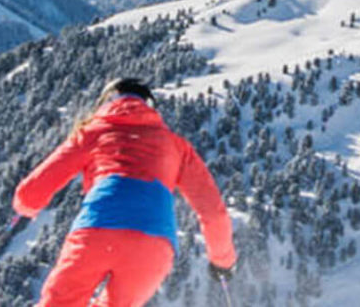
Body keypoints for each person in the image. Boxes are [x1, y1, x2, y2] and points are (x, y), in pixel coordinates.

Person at [13, 77, 236, 307]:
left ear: (106, 102)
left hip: (97, 230)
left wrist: (25, 206)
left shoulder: (94, 132)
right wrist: (222, 261)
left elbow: (33, 190)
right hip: (153, 246)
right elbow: (213, 211)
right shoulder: (177, 146)